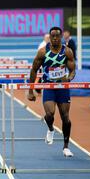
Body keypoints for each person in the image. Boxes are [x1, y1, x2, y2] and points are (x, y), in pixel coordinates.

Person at [27, 26, 76, 157]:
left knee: (66, 118)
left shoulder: (67, 52)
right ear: (49, 37)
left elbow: (72, 69)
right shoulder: (43, 52)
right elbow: (33, 70)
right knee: (50, 114)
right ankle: (50, 128)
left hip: (63, 88)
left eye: (57, 36)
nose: (55, 38)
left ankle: (66, 147)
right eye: (52, 36)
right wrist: (31, 90)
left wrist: (70, 77)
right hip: (48, 86)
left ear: (61, 37)